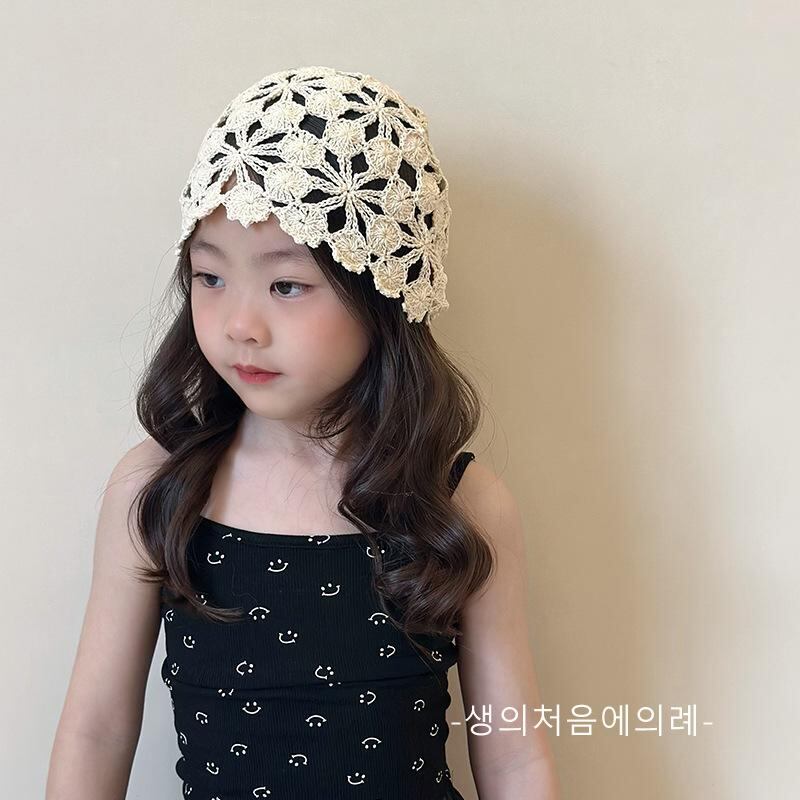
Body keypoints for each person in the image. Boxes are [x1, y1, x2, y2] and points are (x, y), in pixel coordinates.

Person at [46, 65, 560, 800]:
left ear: (383, 294)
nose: (239, 325)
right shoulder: (156, 488)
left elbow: (511, 753)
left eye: (286, 285)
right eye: (209, 277)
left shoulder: (462, 504)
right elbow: (94, 730)